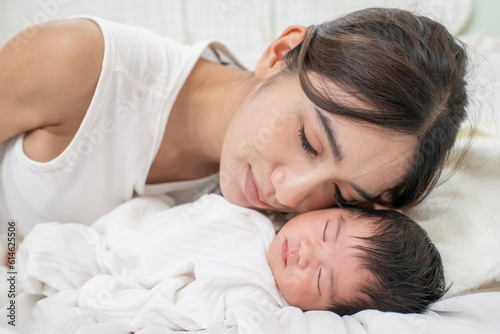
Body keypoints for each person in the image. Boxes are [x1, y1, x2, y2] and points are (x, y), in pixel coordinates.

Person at [0, 8, 468, 236]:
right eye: (308, 141)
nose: (289, 194)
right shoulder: (80, 60)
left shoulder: (287, 229)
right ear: (280, 53)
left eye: (343, 193)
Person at [13, 194, 445, 332]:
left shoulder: (253, 299)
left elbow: (165, 311)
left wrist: (100, 296)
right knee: (45, 245)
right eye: (327, 230)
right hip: (112, 236)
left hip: (105, 282)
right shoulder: (261, 211)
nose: (307, 252)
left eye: (319, 277)